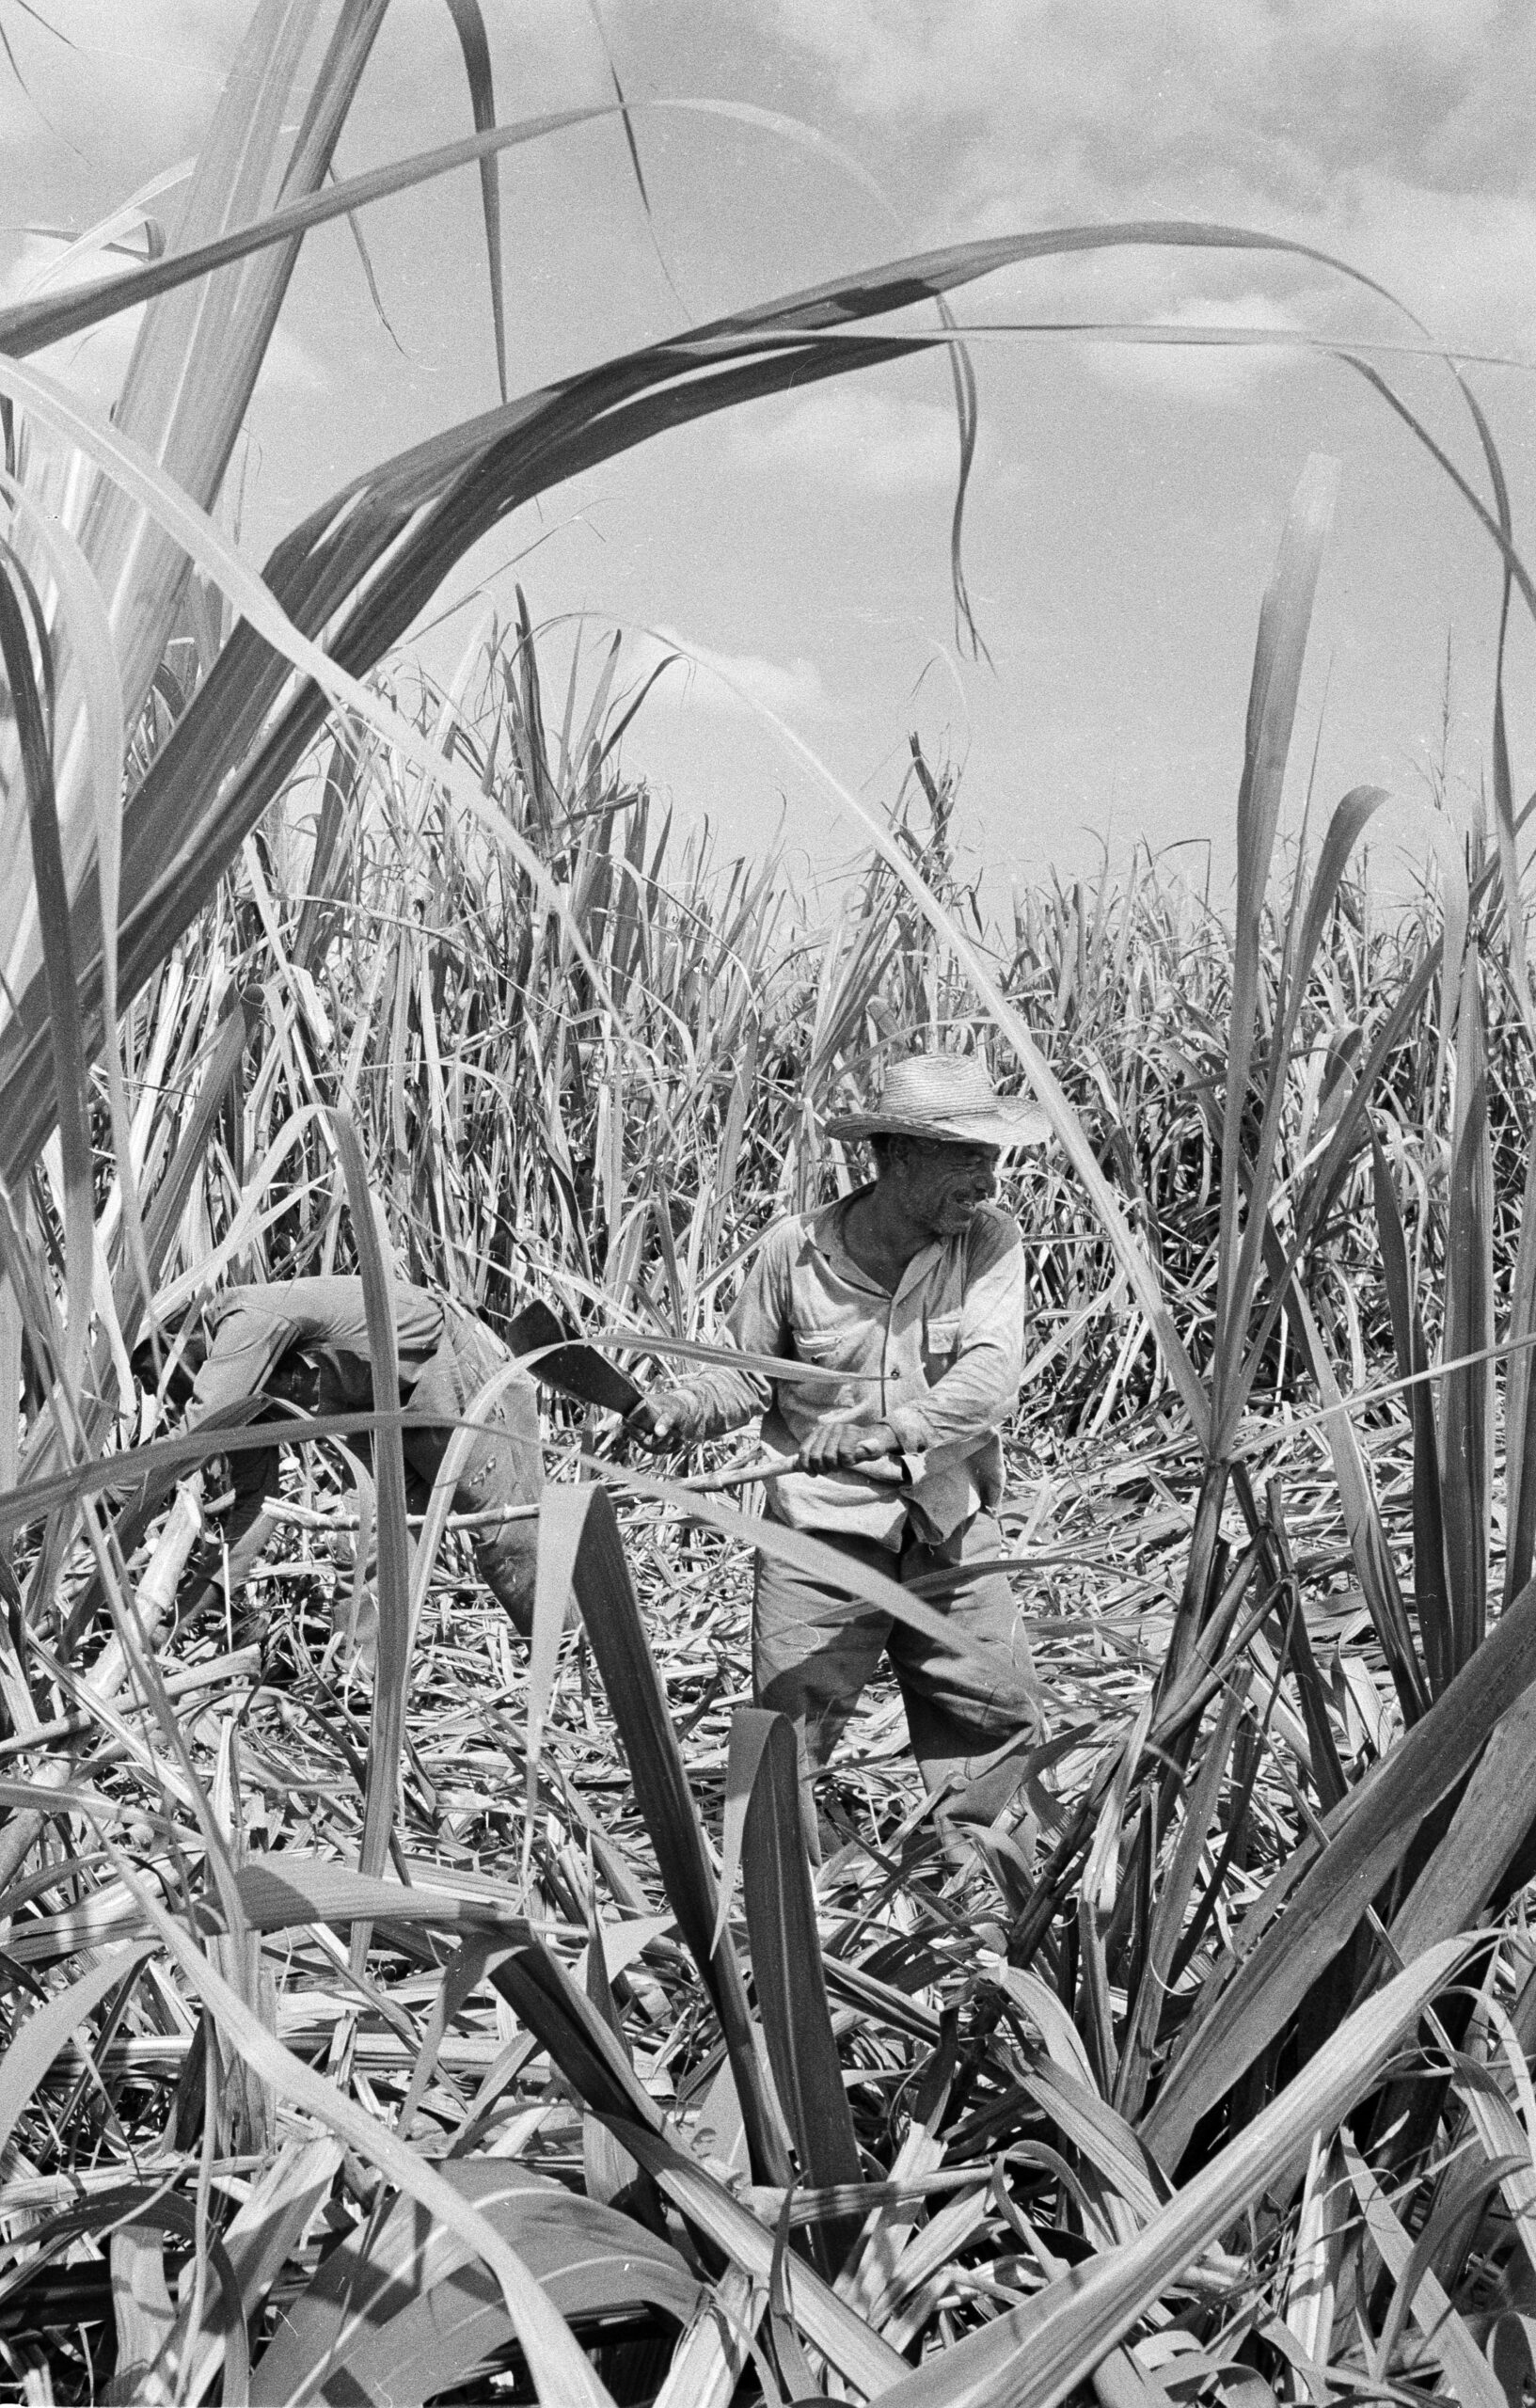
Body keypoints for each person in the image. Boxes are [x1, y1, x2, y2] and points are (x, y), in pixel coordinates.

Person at [626, 1052, 1050, 1851]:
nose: (987, 1183)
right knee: (790, 1741)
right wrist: (677, 1408)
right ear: (894, 1155)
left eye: (991, 1159)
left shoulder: (987, 1241)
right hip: (819, 1536)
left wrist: (888, 1432)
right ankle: (792, 1931)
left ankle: (985, 1913)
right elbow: (747, 1385)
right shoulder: (793, 1252)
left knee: (994, 1718)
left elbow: (991, 1376)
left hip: (945, 1521)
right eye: (966, 1159)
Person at [137, 1277, 544, 1634]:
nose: (166, 1398)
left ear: (179, 1344)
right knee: (374, 1546)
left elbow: (196, 1434)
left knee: (509, 1529)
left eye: (160, 1377)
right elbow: (256, 1505)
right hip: (375, 1412)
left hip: (443, 1365)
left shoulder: (248, 1319)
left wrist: (100, 1492)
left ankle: (566, 1661)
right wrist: (177, 1622)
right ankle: (366, 1691)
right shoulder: (246, 1396)